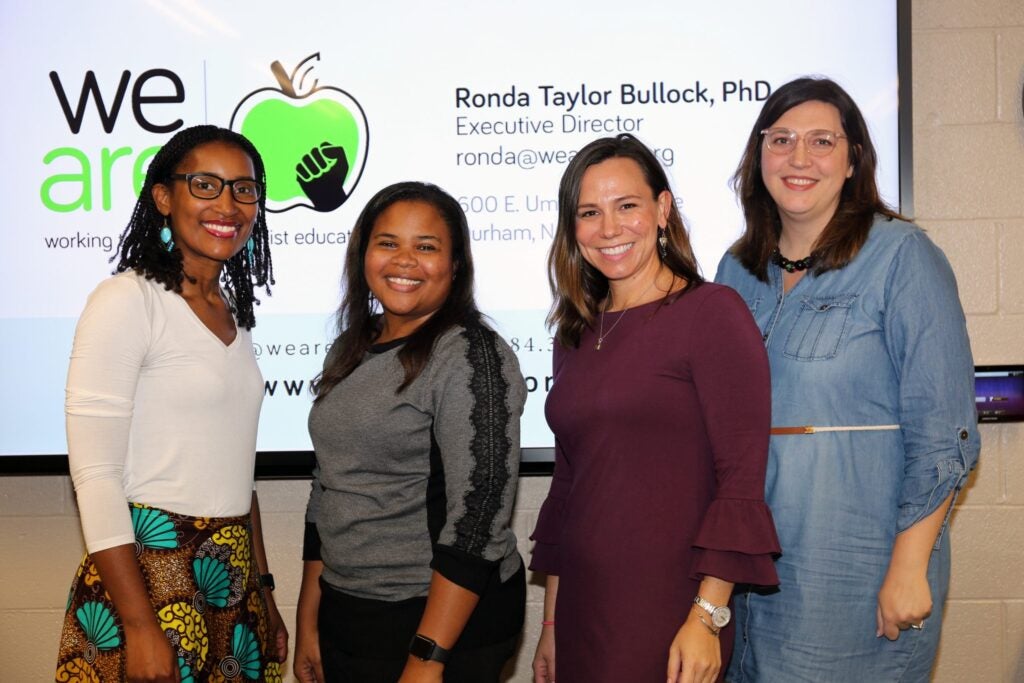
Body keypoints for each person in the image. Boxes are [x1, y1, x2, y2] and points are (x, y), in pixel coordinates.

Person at [715, 77, 981, 682]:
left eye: (821, 141)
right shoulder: (735, 270)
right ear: (758, 157)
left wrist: (909, 568)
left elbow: (946, 432)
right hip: (748, 579)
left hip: (855, 573)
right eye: (780, 140)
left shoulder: (903, 256)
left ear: (853, 157)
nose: (799, 158)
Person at [529, 134, 781, 683]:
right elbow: (568, 488)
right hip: (582, 609)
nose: (610, 228)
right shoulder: (575, 331)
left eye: (627, 207)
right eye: (589, 212)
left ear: (662, 210)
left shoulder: (712, 313)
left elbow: (740, 479)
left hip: (671, 609)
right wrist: (550, 624)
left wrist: (708, 617)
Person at [55, 125, 287, 682]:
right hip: (148, 576)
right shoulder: (126, 300)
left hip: (230, 577)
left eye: (244, 189)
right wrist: (138, 626)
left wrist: (263, 590)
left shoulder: (231, 311)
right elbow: (96, 476)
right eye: (205, 185)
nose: (228, 205)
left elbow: (235, 473)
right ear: (163, 197)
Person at [293, 181, 527, 683]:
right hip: (349, 611)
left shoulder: (469, 354)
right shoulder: (351, 348)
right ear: (363, 254)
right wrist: (308, 617)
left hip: (436, 621)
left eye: (426, 246)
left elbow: (481, 514)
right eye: (388, 243)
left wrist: (427, 658)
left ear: (456, 264)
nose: (405, 260)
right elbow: (327, 488)